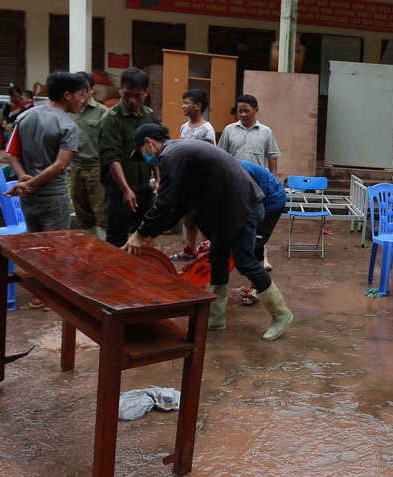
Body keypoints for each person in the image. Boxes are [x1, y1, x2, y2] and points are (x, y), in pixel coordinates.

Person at [122, 124, 293, 340]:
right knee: (217, 259)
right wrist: (148, 233)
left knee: (245, 262)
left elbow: (164, 201)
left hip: (241, 206)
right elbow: (178, 206)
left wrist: (140, 233)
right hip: (225, 210)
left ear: (148, 142)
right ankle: (216, 319)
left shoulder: (170, 154)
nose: (145, 159)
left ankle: (281, 313)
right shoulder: (179, 154)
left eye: (141, 153)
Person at [5, 70, 84, 233]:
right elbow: (60, 165)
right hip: (53, 197)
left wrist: (23, 177)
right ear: (67, 96)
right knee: (55, 251)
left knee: (34, 249)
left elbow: (11, 153)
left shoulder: (24, 117)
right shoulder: (68, 126)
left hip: (28, 197)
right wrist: (29, 183)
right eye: (80, 95)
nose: (82, 101)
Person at [98, 67, 161, 247]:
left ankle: (143, 274)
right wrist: (126, 190)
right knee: (116, 240)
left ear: (146, 93)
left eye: (137, 95)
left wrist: (157, 178)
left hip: (143, 188)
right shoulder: (111, 119)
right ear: (120, 90)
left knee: (146, 236)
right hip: (118, 192)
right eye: (127, 95)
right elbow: (111, 157)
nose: (132, 100)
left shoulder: (149, 116)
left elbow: (152, 149)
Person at [218, 94, 280, 270]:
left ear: (256, 111)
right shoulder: (229, 130)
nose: (243, 115)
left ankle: (262, 256)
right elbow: (222, 156)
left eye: (247, 111)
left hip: (258, 185)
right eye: (240, 111)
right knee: (235, 219)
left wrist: (273, 179)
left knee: (259, 223)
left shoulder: (266, 132)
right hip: (234, 184)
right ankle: (235, 255)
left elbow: (272, 156)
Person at [172, 88, 216, 260]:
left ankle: (206, 252)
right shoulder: (184, 127)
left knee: (204, 219)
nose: (183, 106)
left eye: (186, 103)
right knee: (188, 219)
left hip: (202, 181)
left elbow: (210, 156)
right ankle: (189, 250)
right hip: (186, 180)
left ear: (198, 106)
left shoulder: (207, 129)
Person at [236, 159, 287, 305]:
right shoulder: (222, 169)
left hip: (271, 200)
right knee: (249, 242)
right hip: (257, 198)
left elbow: (250, 203)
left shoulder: (237, 173)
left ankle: (257, 288)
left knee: (255, 244)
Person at [69, 71, 109, 237]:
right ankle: (89, 250)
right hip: (75, 168)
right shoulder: (68, 111)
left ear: (91, 89)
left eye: (85, 91)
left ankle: (105, 251)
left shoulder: (103, 112)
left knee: (101, 212)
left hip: (96, 169)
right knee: (81, 212)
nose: (82, 96)